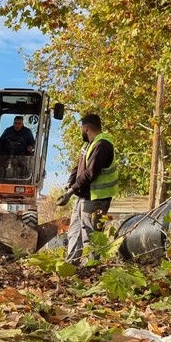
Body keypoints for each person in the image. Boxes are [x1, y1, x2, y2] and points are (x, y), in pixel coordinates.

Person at [57, 113, 118, 264]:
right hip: (83, 197)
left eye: (81, 129)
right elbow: (78, 167)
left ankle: (90, 269)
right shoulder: (89, 144)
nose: (81, 131)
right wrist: (69, 184)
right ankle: (70, 267)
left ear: (86, 128)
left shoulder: (102, 145)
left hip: (96, 199)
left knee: (90, 237)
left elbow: (90, 173)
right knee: (75, 233)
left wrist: (70, 192)